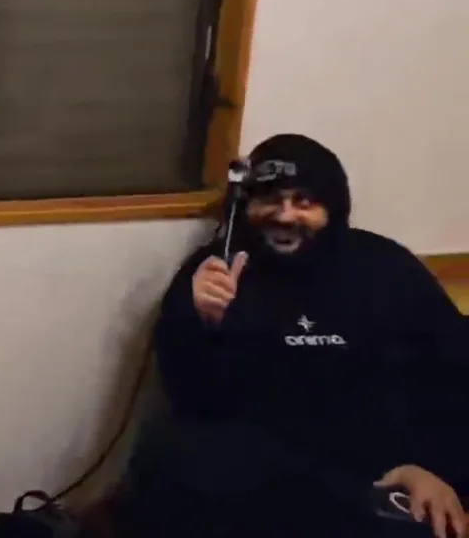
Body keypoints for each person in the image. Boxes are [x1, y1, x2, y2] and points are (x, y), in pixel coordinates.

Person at [123, 133, 468, 538]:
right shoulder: (215, 272)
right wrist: (200, 323)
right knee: (169, 458)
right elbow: (195, 402)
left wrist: (429, 469)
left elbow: (452, 370)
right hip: (276, 473)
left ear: (333, 208)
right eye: (271, 200)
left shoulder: (385, 267)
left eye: (304, 202)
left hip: (387, 466)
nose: (285, 216)